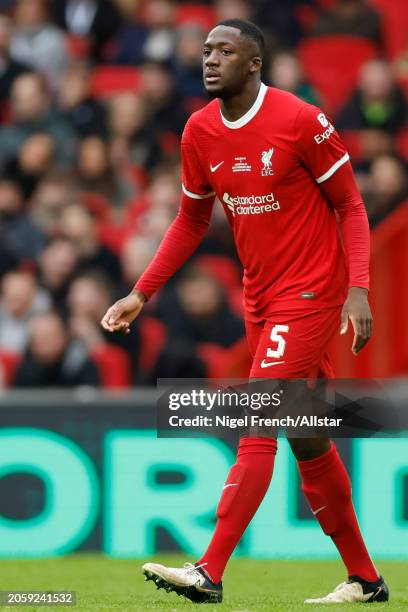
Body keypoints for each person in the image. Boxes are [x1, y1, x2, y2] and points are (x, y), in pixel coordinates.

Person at [101, 19, 388, 605]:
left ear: (253, 63)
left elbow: (352, 207)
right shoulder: (199, 131)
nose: (209, 60)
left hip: (310, 294)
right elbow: (191, 220)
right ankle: (365, 579)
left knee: (258, 417)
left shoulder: (301, 121)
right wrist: (142, 292)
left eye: (224, 51)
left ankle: (210, 569)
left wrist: (359, 287)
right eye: (206, 51)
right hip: (260, 297)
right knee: (308, 434)